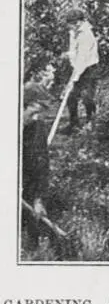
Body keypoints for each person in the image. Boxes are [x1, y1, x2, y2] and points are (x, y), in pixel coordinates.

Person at [22, 82, 53, 248]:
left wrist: (38, 199)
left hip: (28, 183)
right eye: (33, 113)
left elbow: (41, 163)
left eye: (40, 114)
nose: (36, 119)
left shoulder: (37, 127)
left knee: (32, 232)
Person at [62, 8, 100, 134]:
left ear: (78, 22)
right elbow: (73, 50)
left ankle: (91, 122)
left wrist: (74, 78)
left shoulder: (86, 35)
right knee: (71, 96)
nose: (70, 26)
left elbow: (83, 59)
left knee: (87, 97)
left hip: (89, 68)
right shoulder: (73, 32)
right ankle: (74, 124)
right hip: (77, 66)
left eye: (72, 23)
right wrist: (69, 55)